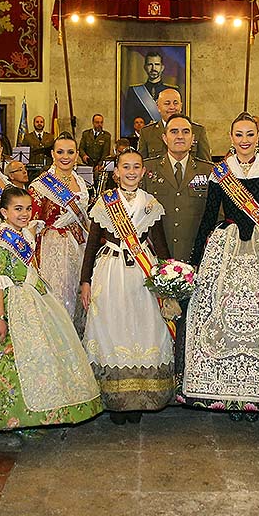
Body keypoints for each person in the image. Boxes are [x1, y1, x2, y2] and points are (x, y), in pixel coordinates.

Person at [183, 112, 259, 420]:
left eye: (250, 134)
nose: (244, 140)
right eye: (239, 135)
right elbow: (209, 215)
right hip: (228, 248)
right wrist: (195, 258)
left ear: (258, 137)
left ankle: (257, 394)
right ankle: (228, 394)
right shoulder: (221, 172)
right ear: (231, 138)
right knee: (224, 314)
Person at [0, 187, 102, 429]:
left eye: (28, 209)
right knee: (16, 363)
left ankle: (36, 413)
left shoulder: (20, 233)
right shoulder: (1, 242)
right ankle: (18, 417)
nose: (24, 214)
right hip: (11, 305)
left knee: (37, 358)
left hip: (31, 298)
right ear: (3, 212)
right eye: (17, 209)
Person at [80, 149, 175, 422]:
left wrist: (169, 277)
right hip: (110, 272)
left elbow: (160, 242)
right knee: (114, 328)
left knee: (143, 329)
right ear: (116, 173)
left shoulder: (151, 204)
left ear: (143, 172)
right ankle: (115, 399)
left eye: (136, 167)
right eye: (126, 167)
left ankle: (140, 399)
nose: (131, 172)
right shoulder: (104, 202)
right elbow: (90, 245)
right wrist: (85, 281)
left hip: (143, 274)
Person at [141, 114, 214, 384]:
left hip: (195, 258)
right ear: (164, 137)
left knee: (192, 321)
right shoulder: (147, 170)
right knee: (153, 320)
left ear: (194, 139)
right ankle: (157, 376)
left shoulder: (208, 171)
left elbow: (216, 217)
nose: (180, 136)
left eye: (186, 131)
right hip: (153, 260)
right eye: (174, 131)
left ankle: (187, 376)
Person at [30, 133, 91, 323]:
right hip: (53, 248)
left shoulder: (80, 182)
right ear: (52, 154)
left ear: (77, 155)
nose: (65, 157)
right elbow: (31, 222)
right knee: (58, 296)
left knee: (77, 294)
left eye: (70, 152)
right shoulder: (41, 185)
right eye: (60, 152)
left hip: (78, 245)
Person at [137, 88, 211, 161]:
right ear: (158, 107)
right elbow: (140, 164)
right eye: (167, 103)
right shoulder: (147, 133)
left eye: (176, 103)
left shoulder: (198, 131)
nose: (172, 107)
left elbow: (206, 166)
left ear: (181, 106)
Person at [123, 50, 177, 128]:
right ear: (145, 67)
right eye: (150, 64)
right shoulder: (134, 91)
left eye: (157, 64)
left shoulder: (173, 91)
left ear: (162, 68)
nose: (153, 68)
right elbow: (129, 120)